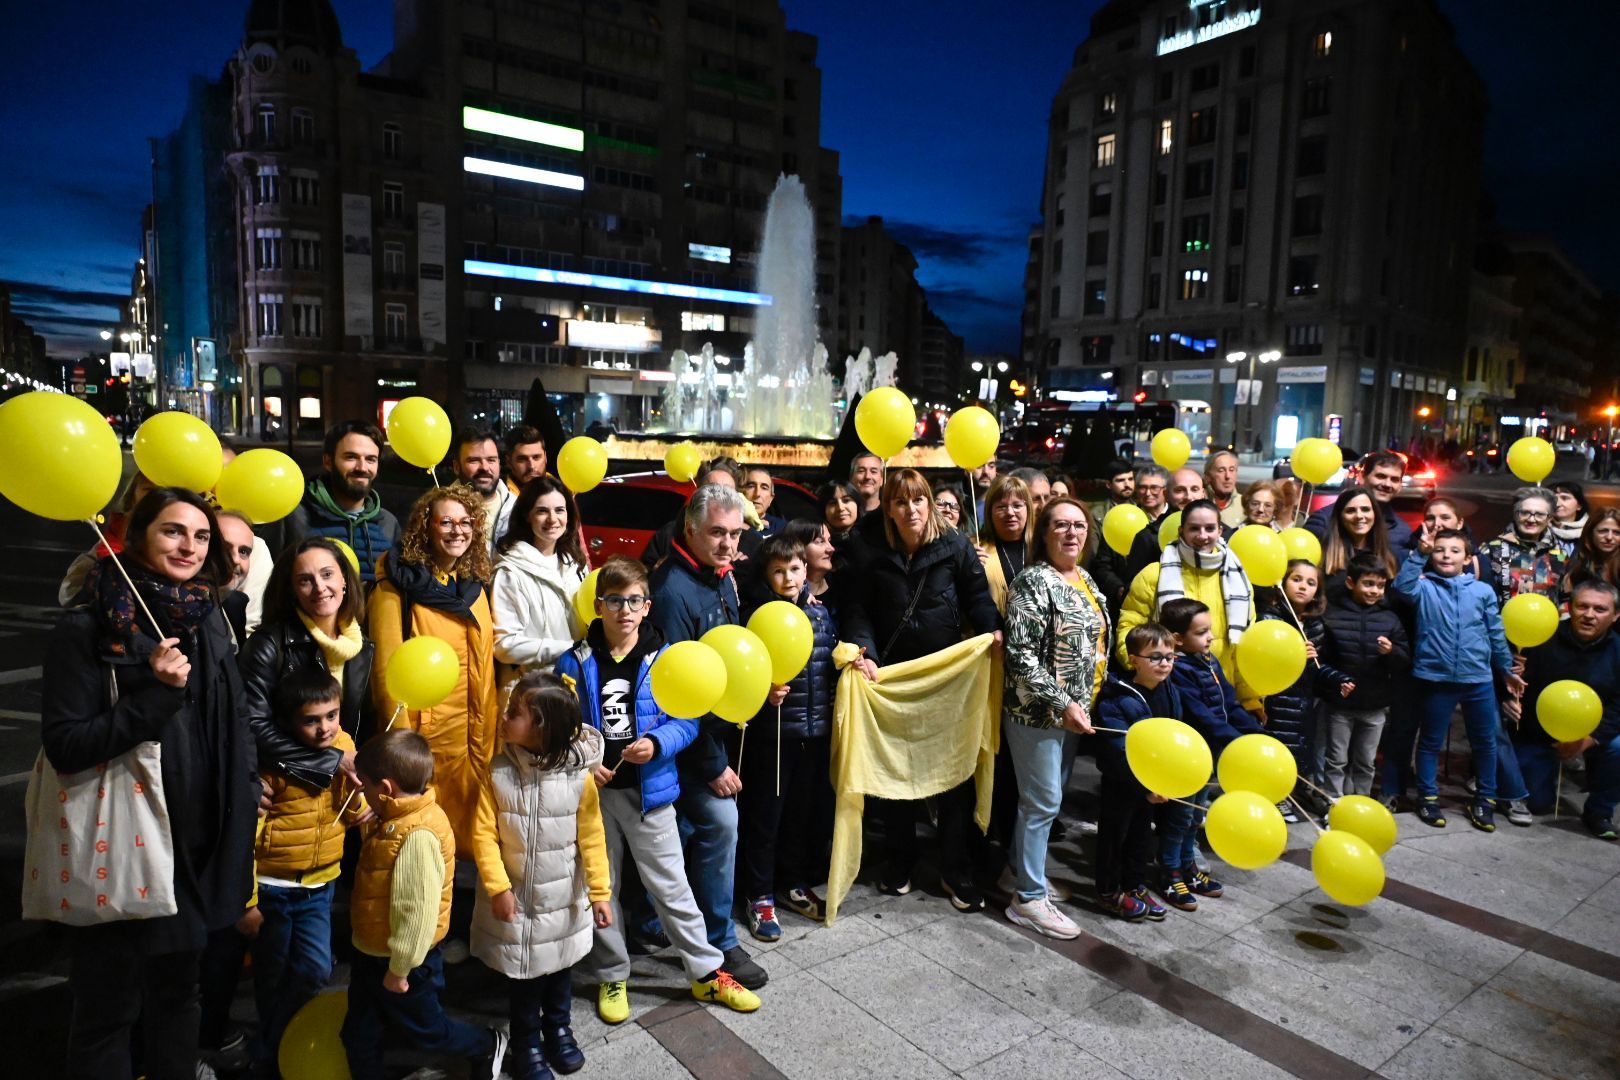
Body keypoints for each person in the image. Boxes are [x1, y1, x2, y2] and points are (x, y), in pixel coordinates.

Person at [42, 487, 257, 1079]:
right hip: (127, 847)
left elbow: (232, 725)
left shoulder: (209, 616)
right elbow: (67, 745)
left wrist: (239, 821)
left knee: (176, 1000)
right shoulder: (87, 628)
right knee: (108, 1010)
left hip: (195, 850)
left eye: (201, 535)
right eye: (172, 531)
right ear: (137, 536)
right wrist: (156, 697)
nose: (189, 546)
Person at [556, 556, 763, 1022]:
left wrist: (656, 741)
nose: (624, 611)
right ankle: (612, 972)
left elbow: (686, 719)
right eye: (614, 602)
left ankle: (707, 973)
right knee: (599, 884)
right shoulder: (575, 659)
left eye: (633, 601)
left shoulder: (667, 657)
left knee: (671, 886)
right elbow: (561, 723)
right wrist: (587, 762)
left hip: (650, 794)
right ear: (599, 606)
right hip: (593, 796)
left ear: (647, 606)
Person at [840, 468, 1002, 909]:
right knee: (896, 774)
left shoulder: (954, 546)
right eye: (899, 502)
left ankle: (955, 869)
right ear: (889, 508)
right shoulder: (868, 548)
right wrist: (866, 650)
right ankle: (900, 863)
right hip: (892, 679)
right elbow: (857, 609)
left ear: (929, 503)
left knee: (953, 778)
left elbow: (977, 599)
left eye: (918, 501)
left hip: (946, 679)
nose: (909, 510)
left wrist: (992, 629)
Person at [647, 484, 768, 989]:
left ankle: (668, 922)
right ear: (690, 529)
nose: (728, 544)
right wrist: (713, 764)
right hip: (680, 745)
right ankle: (719, 939)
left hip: (708, 736)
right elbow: (682, 693)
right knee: (720, 822)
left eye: (736, 534)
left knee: (705, 829)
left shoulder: (720, 576)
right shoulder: (672, 589)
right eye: (717, 533)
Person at [468, 671, 613, 1079]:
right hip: (515, 900)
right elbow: (482, 833)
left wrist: (600, 892)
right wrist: (497, 887)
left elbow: (592, 836)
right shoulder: (497, 772)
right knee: (524, 979)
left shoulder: (577, 778)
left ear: (542, 728)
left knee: (560, 969)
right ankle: (527, 1040)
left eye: (514, 712)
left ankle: (558, 1029)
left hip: (562, 899)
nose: (504, 716)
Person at [340, 731, 507, 1080]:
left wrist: (399, 970)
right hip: (371, 949)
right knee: (359, 1032)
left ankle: (486, 1044)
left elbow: (416, 915)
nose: (361, 791)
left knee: (428, 1030)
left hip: (407, 961)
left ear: (385, 789)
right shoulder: (393, 818)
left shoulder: (417, 835)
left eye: (365, 785)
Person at [1000, 498, 1110, 939]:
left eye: (1079, 525)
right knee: (1043, 802)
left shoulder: (1084, 578)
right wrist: (1062, 702)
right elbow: (1020, 655)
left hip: (1076, 714)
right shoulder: (1033, 581)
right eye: (1061, 525)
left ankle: (1017, 873)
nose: (1072, 533)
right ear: (1044, 534)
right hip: (1039, 713)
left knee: (1046, 799)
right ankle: (1026, 899)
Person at [249, 668, 368, 1074]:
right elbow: (250, 835)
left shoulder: (346, 746)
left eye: (332, 715)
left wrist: (360, 800)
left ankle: (288, 1038)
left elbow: (350, 812)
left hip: (321, 883)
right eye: (311, 720)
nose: (325, 728)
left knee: (316, 969)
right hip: (273, 888)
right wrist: (246, 901)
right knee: (272, 976)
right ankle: (272, 1053)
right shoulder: (274, 762)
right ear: (287, 723)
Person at [370, 484, 499, 856]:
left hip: (474, 741)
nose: (457, 530)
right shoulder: (397, 582)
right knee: (420, 851)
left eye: (466, 522)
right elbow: (386, 670)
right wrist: (402, 750)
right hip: (426, 745)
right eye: (446, 522)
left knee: (475, 850)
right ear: (425, 527)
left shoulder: (474, 582)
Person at [736, 534, 853, 939]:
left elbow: (827, 665)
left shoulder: (821, 615)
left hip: (814, 732)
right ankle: (758, 894)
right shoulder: (756, 617)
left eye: (796, 569)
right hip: (774, 735)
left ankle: (791, 882)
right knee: (766, 818)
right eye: (779, 571)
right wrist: (764, 689)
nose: (789, 578)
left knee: (801, 817)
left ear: (807, 571)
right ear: (767, 576)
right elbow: (743, 672)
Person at [1393, 525, 1526, 831]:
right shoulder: (1424, 586)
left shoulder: (1482, 591)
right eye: (1440, 550)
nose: (1446, 555)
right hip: (1435, 677)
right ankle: (1427, 797)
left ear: (1468, 558)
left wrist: (1506, 670)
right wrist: (1419, 554)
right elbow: (1402, 588)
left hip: (1477, 679)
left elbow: (1495, 634)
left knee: (1485, 742)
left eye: (1454, 551)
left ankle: (1485, 799)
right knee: (1429, 741)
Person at [241, 536, 373, 792]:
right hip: (286, 789)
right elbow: (251, 726)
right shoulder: (268, 644)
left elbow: (366, 726)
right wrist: (332, 761)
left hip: (344, 794)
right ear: (292, 590)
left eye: (327, 574)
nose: (319, 587)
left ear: (344, 579)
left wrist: (370, 782)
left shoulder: (363, 648)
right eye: (305, 580)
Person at [1160, 597, 1260, 910]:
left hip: (1210, 755)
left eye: (1209, 631)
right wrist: (1235, 741)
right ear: (1178, 639)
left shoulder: (1210, 662)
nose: (1210, 638)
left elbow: (1229, 704)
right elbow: (1201, 714)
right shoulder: (1177, 670)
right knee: (1178, 817)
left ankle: (1189, 867)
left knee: (1195, 816)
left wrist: (1256, 735)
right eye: (1202, 633)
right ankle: (1169, 872)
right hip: (1187, 757)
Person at [1507, 579, 1620, 838]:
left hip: (1593, 733)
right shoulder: (1543, 637)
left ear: (1615, 616)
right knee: (1536, 803)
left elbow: (1618, 707)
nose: (1589, 615)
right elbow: (1520, 689)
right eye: (1583, 606)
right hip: (1538, 732)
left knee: (1619, 748)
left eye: (1600, 609)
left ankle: (1599, 811)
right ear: (1570, 607)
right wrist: (1511, 693)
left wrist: (1586, 741)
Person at [1241, 560, 1351, 821]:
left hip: (1303, 701)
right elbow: (1265, 660)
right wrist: (1292, 654)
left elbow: (1315, 666)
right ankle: (1274, 797)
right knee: (1275, 751)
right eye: (1297, 579)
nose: (1303, 586)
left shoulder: (1315, 624)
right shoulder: (1269, 617)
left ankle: (1294, 792)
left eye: (1311, 583)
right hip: (1276, 699)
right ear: (1283, 582)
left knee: (1299, 752)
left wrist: (1338, 680)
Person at [1093, 625, 1177, 922]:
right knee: (1115, 838)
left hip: (1152, 782)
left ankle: (1134, 885)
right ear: (1133, 660)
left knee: (1142, 836)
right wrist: (1142, 786)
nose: (1164, 663)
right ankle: (1108, 891)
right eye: (1155, 657)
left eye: (1170, 656)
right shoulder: (1115, 698)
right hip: (1123, 782)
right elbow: (1117, 752)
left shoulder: (1168, 689)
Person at [1117, 500, 1255, 678]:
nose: (1202, 535)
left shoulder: (1237, 579)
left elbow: (1245, 645)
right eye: (1194, 528)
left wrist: (1248, 699)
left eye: (1210, 528)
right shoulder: (1153, 575)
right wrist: (1142, 665)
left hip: (1222, 690)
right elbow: (1129, 629)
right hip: (1167, 686)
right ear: (1181, 531)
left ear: (1220, 531)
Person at [1320, 553, 1410, 796]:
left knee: (1366, 761)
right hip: (1341, 705)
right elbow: (1322, 661)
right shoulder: (1332, 616)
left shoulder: (1389, 618)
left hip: (1375, 705)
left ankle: (1362, 803)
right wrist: (1335, 685)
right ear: (1351, 583)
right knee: (1336, 760)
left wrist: (1391, 652)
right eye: (1368, 584)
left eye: (1380, 586)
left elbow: (1403, 660)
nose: (1375, 591)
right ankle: (1333, 803)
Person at [491, 476, 590, 681]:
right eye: (542, 511)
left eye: (559, 510)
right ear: (527, 516)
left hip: (577, 683)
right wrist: (570, 649)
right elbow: (504, 646)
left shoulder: (576, 566)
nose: (553, 519)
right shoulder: (510, 572)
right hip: (533, 691)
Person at [280, 421, 400, 587]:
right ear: (328, 462)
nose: (362, 467)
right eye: (351, 457)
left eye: (371, 459)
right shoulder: (295, 517)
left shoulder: (388, 523)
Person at [1305, 451, 1413, 553]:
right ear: (1362, 477)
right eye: (1380, 476)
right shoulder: (1324, 520)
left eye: (1394, 479)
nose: (1387, 484)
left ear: (1399, 486)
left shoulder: (1402, 531)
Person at [1478, 487, 1565, 605]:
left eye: (1539, 514)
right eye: (1524, 513)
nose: (1531, 519)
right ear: (1515, 514)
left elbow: (1564, 598)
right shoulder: (1491, 551)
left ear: (1549, 518)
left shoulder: (1559, 554)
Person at [452, 427, 516, 557]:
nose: (485, 467)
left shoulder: (519, 508)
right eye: (474, 461)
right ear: (456, 467)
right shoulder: (438, 511)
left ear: (499, 463)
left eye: (491, 460)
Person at [1318, 486, 1400, 588]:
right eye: (1350, 511)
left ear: (1375, 514)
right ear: (1340, 517)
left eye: (1365, 509)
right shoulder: (1324, 554)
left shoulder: (1389, 558)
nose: (1359, 516)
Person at [976, 475, 1034, 612]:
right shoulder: (975, 547)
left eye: (1017, 505)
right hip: (992, 631)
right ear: (990, 511)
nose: (1010, 512)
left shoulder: (1042, 547)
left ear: (1028, 509)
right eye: (1001, 507)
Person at [1564, 508, 1620, 594]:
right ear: (1590, 533)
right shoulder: (1579, 563)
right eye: (1603, 531)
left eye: (1616, 533)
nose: (1609, 537)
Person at [1204, 450, 1244, 529]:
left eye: (1232, 470)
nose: (1227, 476)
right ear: (1207, 477)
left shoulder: (1245, 504)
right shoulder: (1198, 501)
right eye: (1221, 470)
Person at [1088, 458, 1136, 524]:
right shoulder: (1098, 514)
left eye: (1130, 479)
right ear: (1108, 484)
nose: (1127, 484)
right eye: (1120, 480)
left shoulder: (1142, 509)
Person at [743, 467, 786, 538]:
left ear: (771, 499)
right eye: (751, 486)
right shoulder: (731, 524)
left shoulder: (782, 529)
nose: (757, 494)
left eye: (764, 488)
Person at [504, 425, 549, 493]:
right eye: (522, 459)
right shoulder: (500, 498)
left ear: (545, 457)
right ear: (509, 462)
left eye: (536, 457)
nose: (531, 466)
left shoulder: (564, 489)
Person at [1550, 481, 1590, 558]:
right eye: (1553, 499)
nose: (1557, 504)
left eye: (1565, 498)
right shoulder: (1541, 531)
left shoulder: (1589, 533)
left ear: (1579, 505)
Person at [818, 479, 862, 545]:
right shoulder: (814, 542)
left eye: (846, 500)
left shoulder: (873, 536)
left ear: (857, 504)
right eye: (833, 503)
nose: (840, 508)